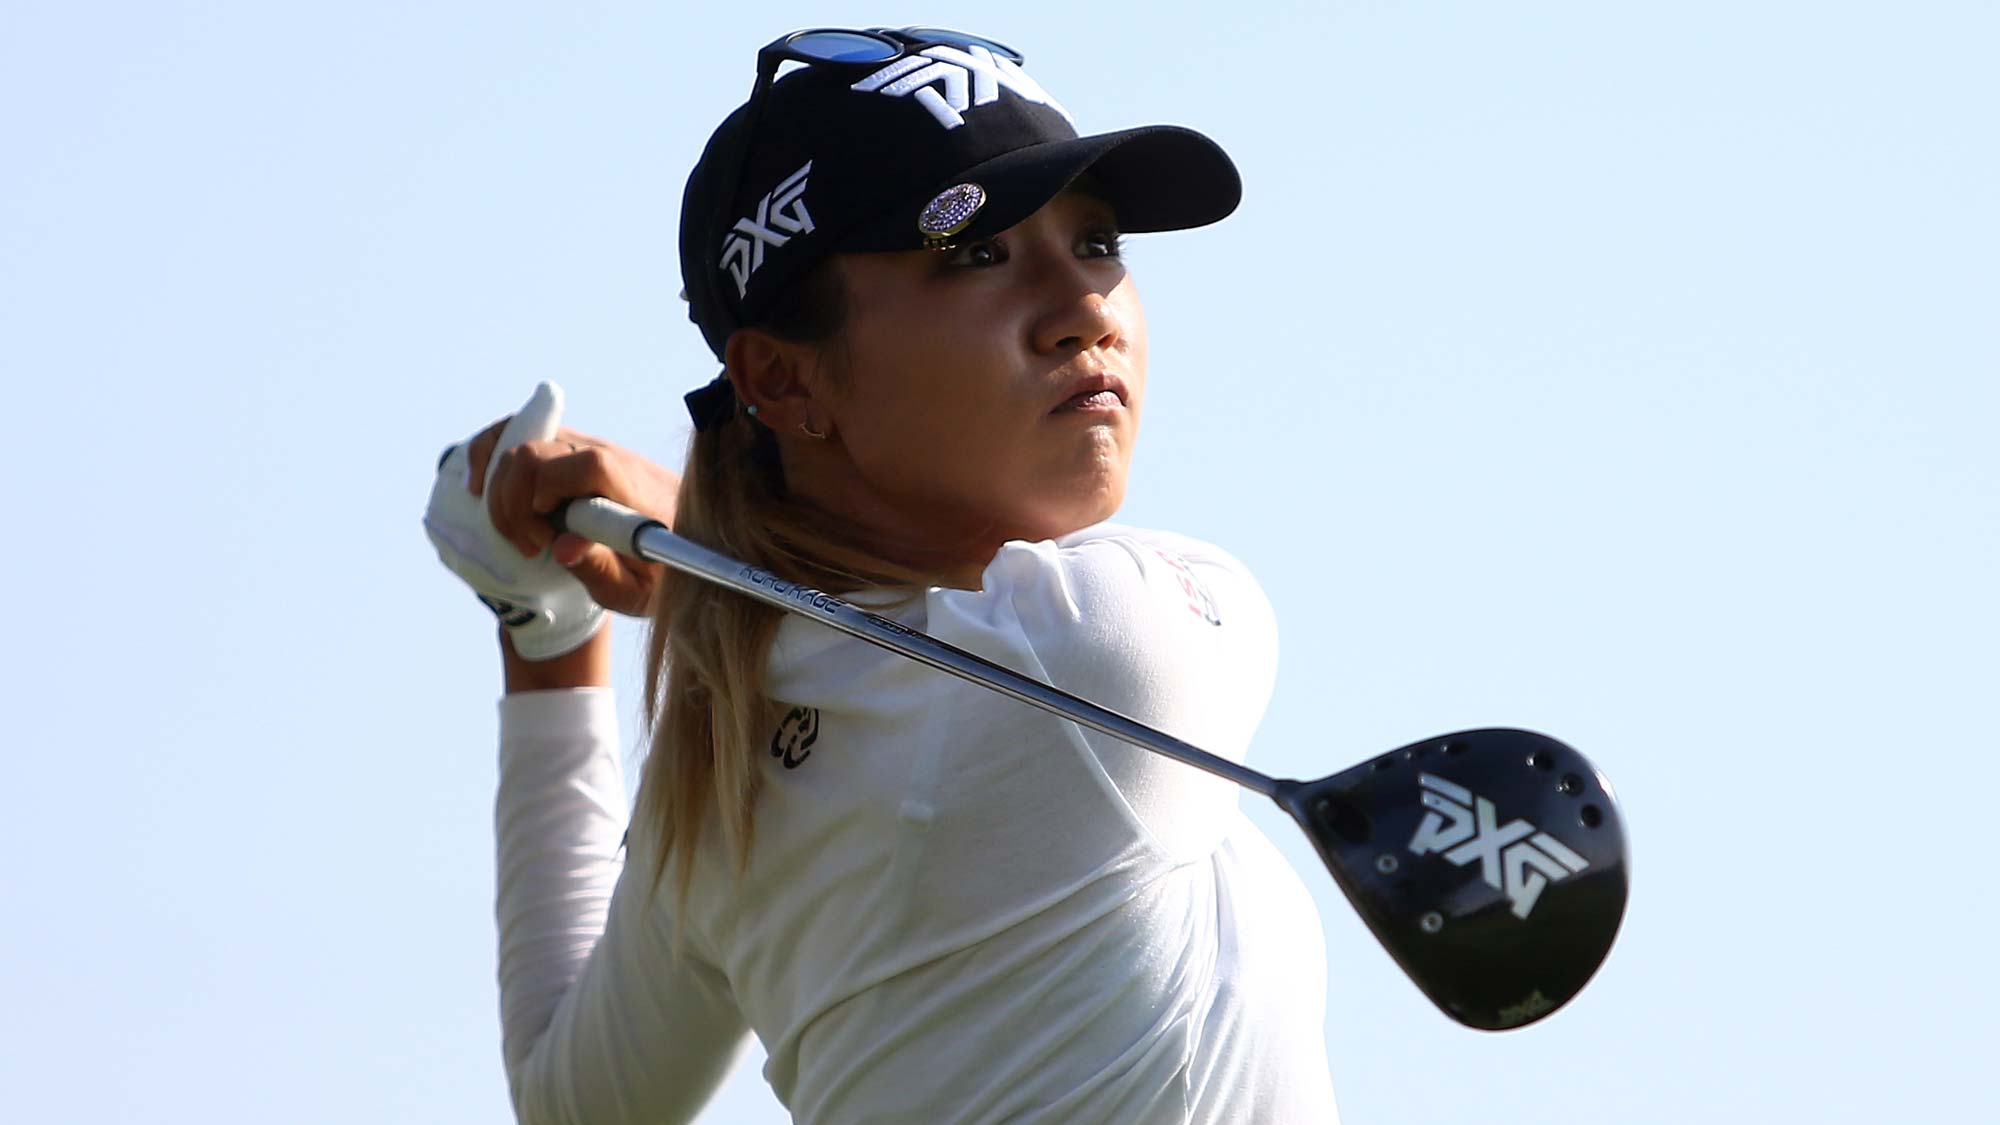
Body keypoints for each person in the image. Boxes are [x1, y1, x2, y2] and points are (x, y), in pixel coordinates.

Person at [424, 26, 1338, 1124]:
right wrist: (698, 574)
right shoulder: (1103, 648)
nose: (1082, 309)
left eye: (1096, 243)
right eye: (974, 253)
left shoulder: (731, 774)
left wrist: (546, 634)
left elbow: (571, 1103)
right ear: (780, 377)